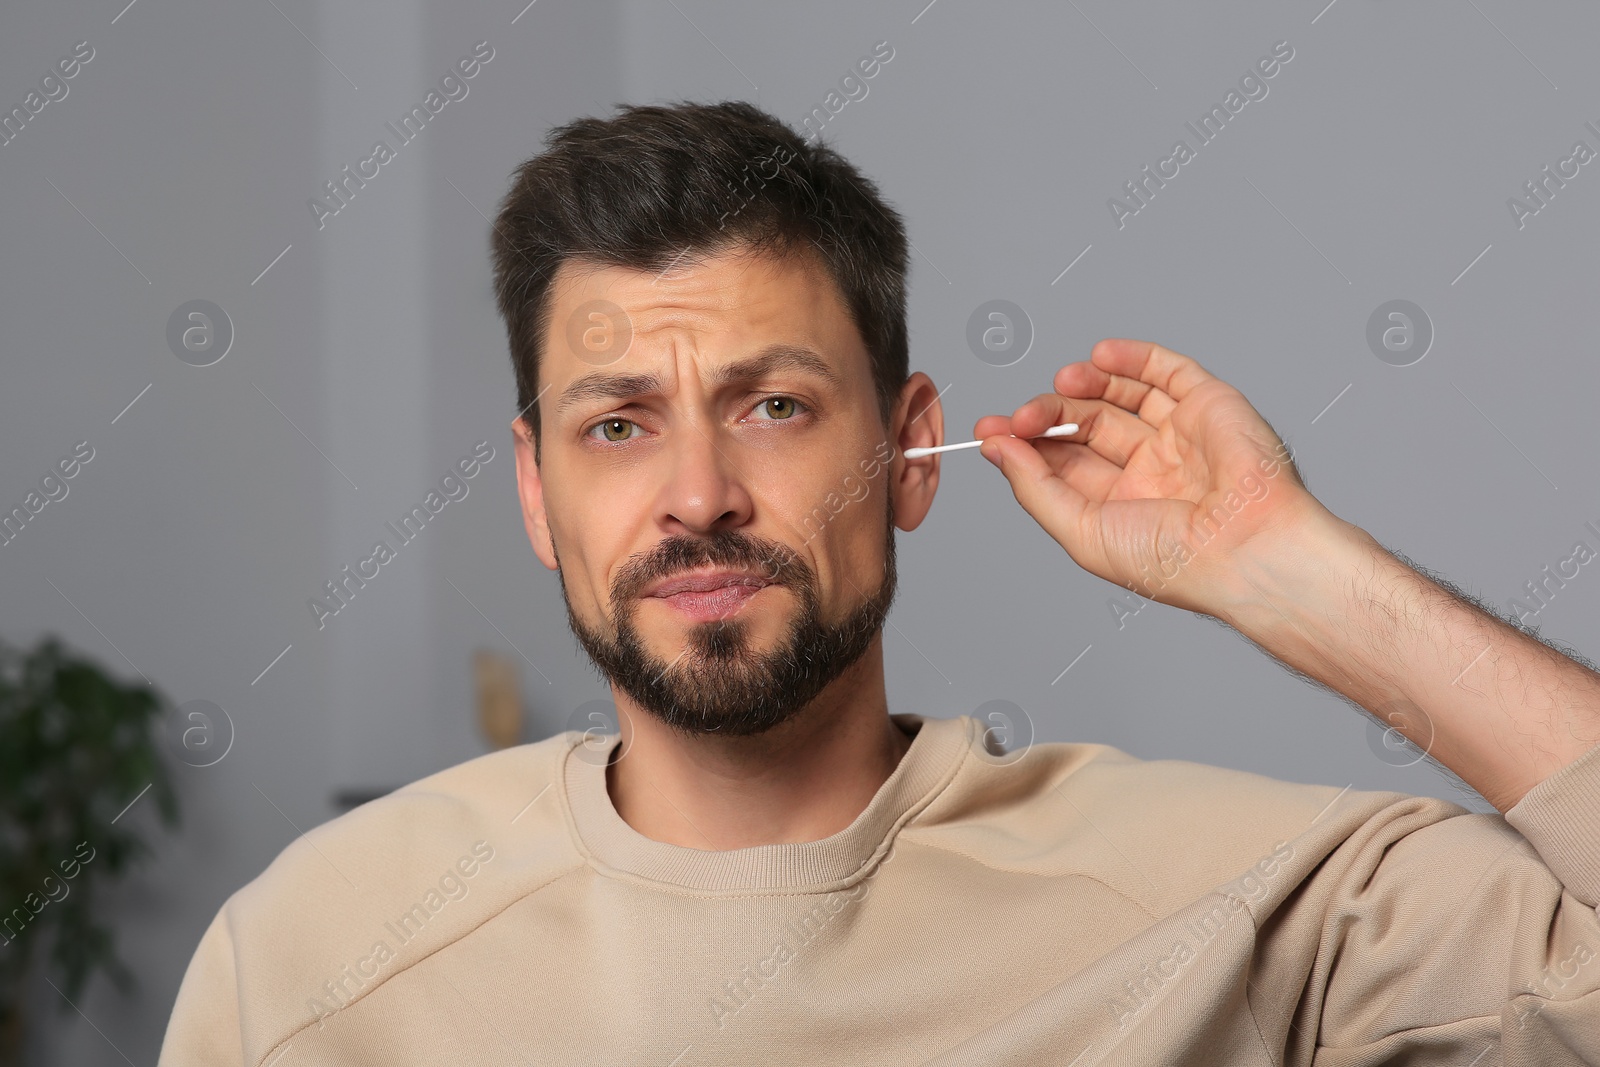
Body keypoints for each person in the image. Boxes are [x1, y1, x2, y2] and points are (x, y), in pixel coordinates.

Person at [158, 100, 1600, 1065]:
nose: (700, 494)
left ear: (914, 454)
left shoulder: (1238, 906)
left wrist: (1286, 570)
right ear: (539, 492)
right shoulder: (311, 960)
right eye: (618, 425)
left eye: (774, 405)